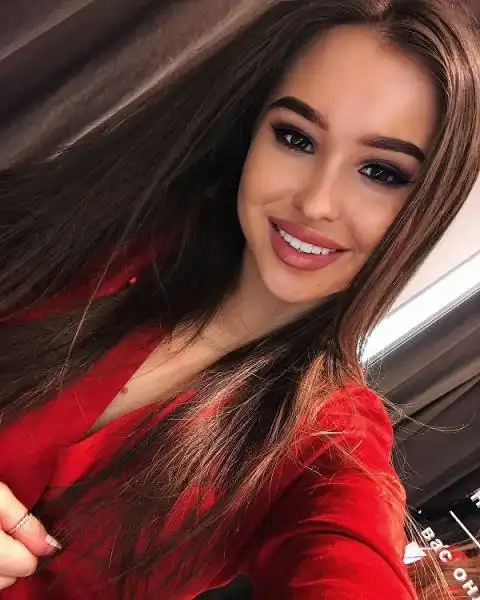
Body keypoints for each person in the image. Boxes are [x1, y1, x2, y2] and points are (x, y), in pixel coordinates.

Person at [0, 0, 479, 598]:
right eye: (295, 137)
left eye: (382, 172)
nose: (316, 202)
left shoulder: (331, 444)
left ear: (427, 204)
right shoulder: (104, 228)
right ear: (252, 132)